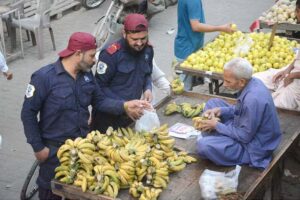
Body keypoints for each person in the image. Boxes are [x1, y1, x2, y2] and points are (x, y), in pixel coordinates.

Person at [21, 32, 150, 200]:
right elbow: (28, 113)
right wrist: (38, 148)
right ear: (78, 54)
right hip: (53, 151)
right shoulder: (44, 78)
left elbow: (100, 101)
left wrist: (124, 105)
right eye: (91, 55)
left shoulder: (87, 76)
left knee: (77, 193)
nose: (95, 60)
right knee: (50, 191)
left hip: (83, 148)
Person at [196, 58, 281, 169]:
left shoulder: (252, 100)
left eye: (228, 81)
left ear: (241, 81)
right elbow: (241, 109)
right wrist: (221, 110)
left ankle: (216, 138)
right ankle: (215, 135)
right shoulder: (253, 81)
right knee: (213, 103)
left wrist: (217, 126)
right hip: (244, 126)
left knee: (203, 146)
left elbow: (245, 136)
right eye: (224, 80)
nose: (224, 85)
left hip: (253, 146)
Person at [91, 13, 154, 133]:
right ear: (124, 34)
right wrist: (124, 105)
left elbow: (147, 73)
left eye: (143, 38)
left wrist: (147, 88)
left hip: (131, 115)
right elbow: (99, 88)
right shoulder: (110, 55)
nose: (140, 43)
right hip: (108, 117)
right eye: (135, 39)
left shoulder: (148, 50)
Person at [174, 0, 234, 91]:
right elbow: (196, 26)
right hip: (187, 50)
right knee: (183, 89)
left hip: (187, 46)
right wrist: (221, 28)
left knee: (186, 86)